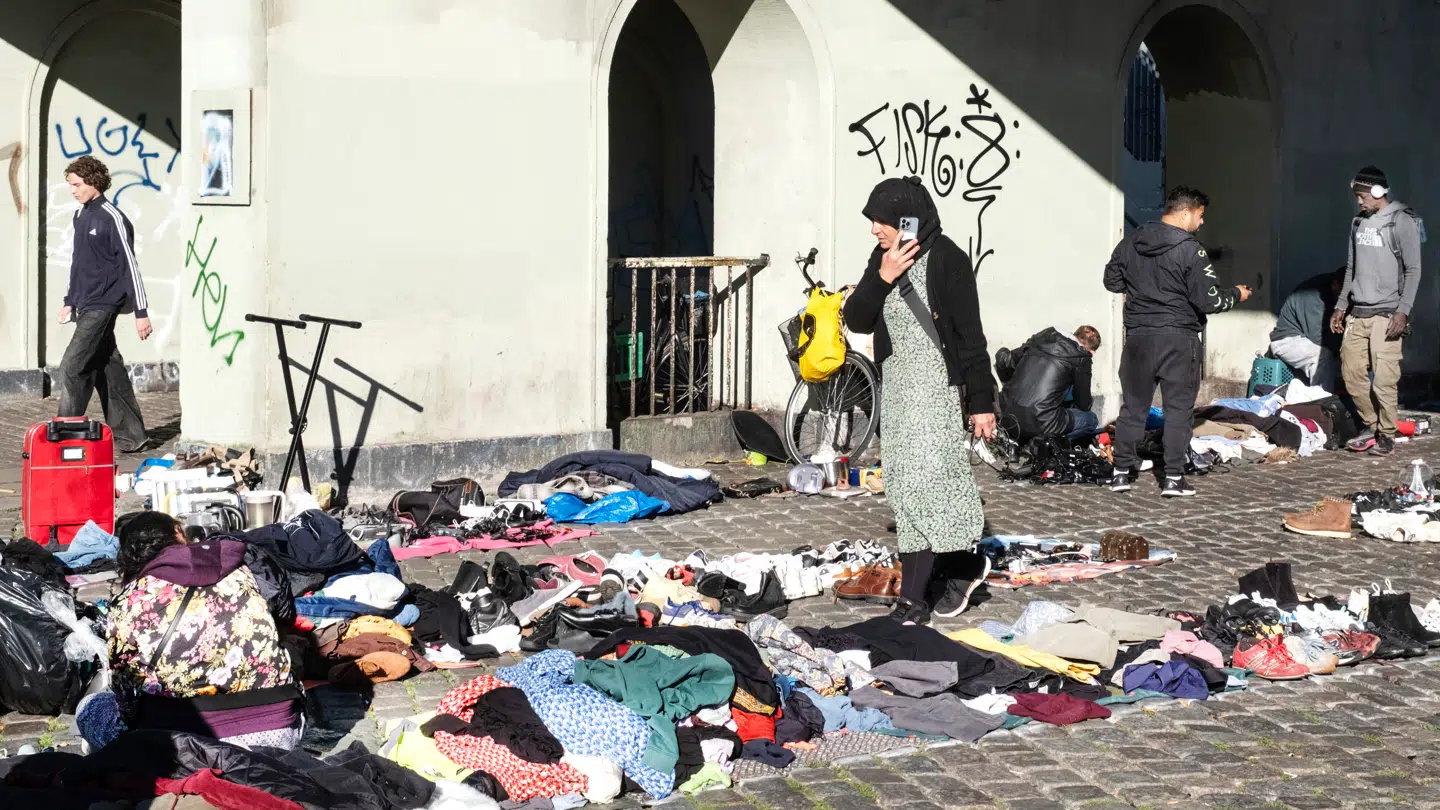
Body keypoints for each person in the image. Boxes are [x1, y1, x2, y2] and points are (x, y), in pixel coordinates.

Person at [842, 176, 997, 624]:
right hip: (898, 391)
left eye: (882, 220)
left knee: (931, 482)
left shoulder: (949, 259)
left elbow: (971, 337)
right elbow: (858, 319)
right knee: (904, 489)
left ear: (908, 218)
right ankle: (958, 569)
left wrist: (982, 402)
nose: (875, 229)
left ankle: (915, 598)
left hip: (937, 391)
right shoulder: (883, 258)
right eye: (873, 220)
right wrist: (883, 275)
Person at [83, 511, 304, 752]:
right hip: (278, 732)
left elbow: (123, 687)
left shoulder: (129, 599)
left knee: (92, 707)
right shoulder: (240, 569)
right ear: (178, 532)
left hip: (184, 744)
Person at [1103, 185, 1251, 497]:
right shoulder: (1190, 249)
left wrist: (1141, 290)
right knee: (1178, 409)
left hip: (1139, 337)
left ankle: (1121, 471)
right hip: (1178, 340)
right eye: (1200, 216)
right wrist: (1236, 294)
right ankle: (1172, 478)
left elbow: (1111, 280)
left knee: (1133, 407)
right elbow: (1208, 300)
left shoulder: (1130, 242)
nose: (1201, 223)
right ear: (1185, 213)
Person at [52, 155, 150, 452]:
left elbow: (129, 266)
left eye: (76, 184)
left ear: (93, 181)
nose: (72, 190)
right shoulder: (81, 215)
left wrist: (141, 312)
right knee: (109, 368)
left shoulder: (113, 217)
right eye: (70, 185)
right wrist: (70, 301)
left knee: (73, 364)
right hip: (86, 304)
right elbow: (78, 263)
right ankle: (133, 436)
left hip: (105, 303)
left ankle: (65, 438)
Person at [1330, 166, 1423, 457]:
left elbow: (1413, 269)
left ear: (1378, 191)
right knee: (1352, 372)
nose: (1358, 201)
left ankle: (1387, 434)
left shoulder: (1402, 221)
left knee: (1384, 379)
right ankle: (1371, 426)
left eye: (1361, 195)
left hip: (1388, 315)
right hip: (1359, 314)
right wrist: (1341, 305)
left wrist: (1403, 311)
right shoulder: (1358, 223)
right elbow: (1351, 269)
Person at [997, 325, 1102, 441]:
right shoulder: (1082, 357)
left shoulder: (1041, 338)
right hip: (1042, 422)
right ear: (1091, 351)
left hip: (1007, 415)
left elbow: (1005, 359)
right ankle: (1046, 445)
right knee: (1091, 419)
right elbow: (1083, 404)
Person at [1269, 269, 1344, 390]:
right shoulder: (1314, 296)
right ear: (1335, 285)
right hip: (1286, 340)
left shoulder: (1334, 290)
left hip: (1307, 337)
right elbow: (1317, 338)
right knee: (1322, 357)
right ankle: (1321, 401)